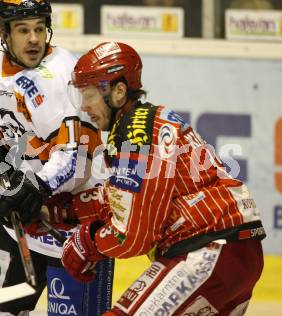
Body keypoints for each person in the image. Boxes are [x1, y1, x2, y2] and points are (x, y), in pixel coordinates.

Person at [61, 41, 266, 315]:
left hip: (208, 250)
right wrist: (65, 209)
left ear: (119, 91)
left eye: (89, 96)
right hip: (234, 250)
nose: (84, 106)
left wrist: (89, 243)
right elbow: (123, 197)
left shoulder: (137, 133)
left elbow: (133, 237)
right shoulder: (145, 122)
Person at [0, 1, 113, 315]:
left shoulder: (59, 74)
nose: (34, 38)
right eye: (23, 30)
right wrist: (0, 165)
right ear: (4, 33)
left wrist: (34, 187)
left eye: (38, 28)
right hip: (27, 214)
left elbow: (75, 158)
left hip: (78, 222)